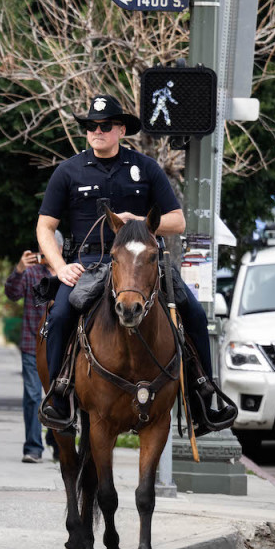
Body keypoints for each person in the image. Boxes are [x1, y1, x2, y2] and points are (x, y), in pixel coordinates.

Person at [37, 94, 237, 433]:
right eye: (91, 127)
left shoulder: (145, 167)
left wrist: (143, 221)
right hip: (89, 262)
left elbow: (177, 221)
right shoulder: (68, 171)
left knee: (194, 313)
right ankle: (60, 398)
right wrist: (59, 267)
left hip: (144, 261)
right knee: (58, 317)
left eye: (104, 126)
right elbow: (45, 226)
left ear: (120, 129)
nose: (96, 132)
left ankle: (204, 394)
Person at [4, 248, 55, 463]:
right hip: (32, 345)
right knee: (33, 396)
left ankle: (58, 442)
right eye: (41, 250)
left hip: (61, 347)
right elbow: (12, 294)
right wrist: (19, 269)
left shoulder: (70, 271)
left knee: (58, 398)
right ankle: (33, 447)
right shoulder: (33, 272)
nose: (42, 254)